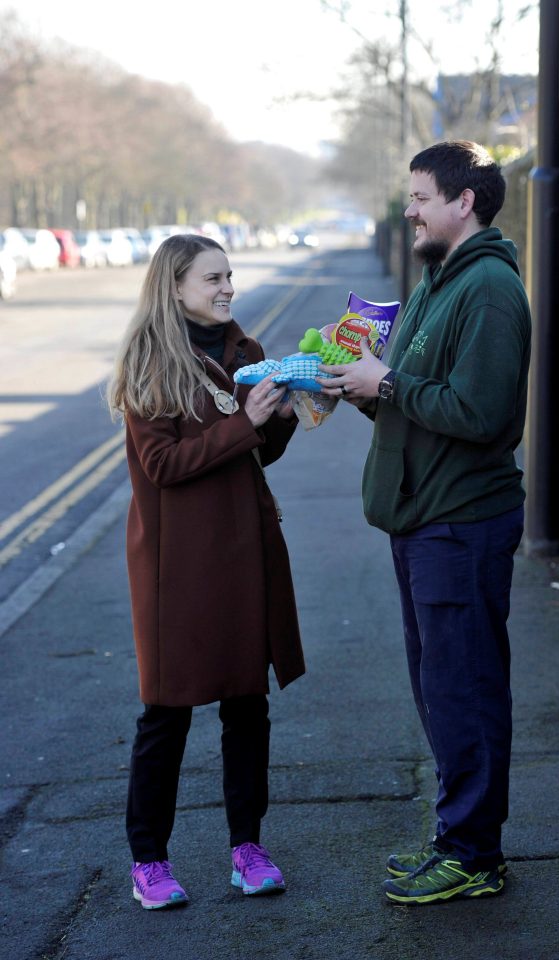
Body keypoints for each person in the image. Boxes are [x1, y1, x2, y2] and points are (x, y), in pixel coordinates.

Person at [319, 140, 531, 905]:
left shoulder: (489, 291)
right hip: (425, 519)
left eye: (418, 197)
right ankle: (458, 840)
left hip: (461, 522)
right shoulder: (442, 281)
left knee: (465, 690)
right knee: (441, 690)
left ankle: (474, 856)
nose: (407, 210)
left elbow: (481, 413)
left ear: (462, 201)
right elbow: (420, 392)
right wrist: (362, 387)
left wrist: (393, 382)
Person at [108, 233, 305, 909]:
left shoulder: (247, 353)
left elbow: (257, 454)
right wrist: (245, 423)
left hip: (245, 552)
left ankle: (247, 848)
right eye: (213, 278)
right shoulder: (149, 363)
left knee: (247, 705)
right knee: (167, 712)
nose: (228, 287)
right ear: (176, 288)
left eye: (230, 275)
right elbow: (160, 467)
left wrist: (281, 418)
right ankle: (149, 862)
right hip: (177, 567)